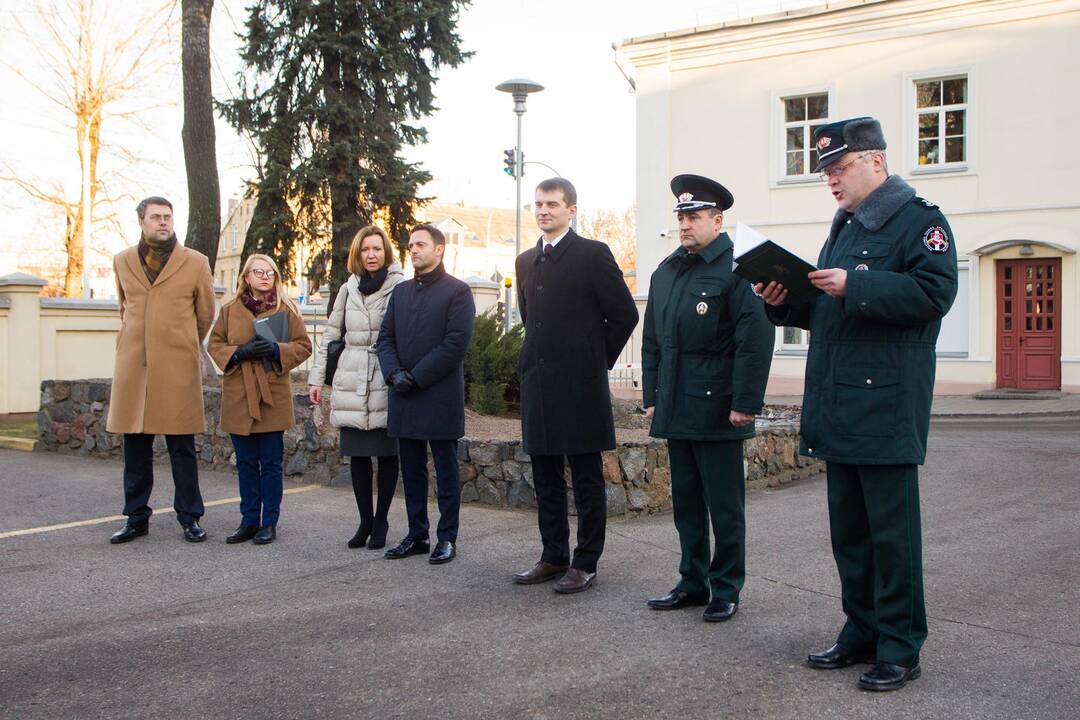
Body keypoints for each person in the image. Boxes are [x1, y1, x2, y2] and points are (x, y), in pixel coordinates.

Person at [756, 117, 958, 692]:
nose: (832, 180)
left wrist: (856, 285)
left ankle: (899, 645)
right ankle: (860, 630)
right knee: (849, 531)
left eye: (839, 167)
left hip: (887, 406)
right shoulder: (843, 227)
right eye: (826, 171)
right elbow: (828, 309)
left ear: (876, 161)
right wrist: (784, 301)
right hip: (839, 403)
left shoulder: (920, 222)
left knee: (891, 535)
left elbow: (934, 293)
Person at [642, 175, 775, 622]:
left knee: (724, 506)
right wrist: (652, 395)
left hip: (718, 406)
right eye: (681, 216)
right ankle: (692, 580)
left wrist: (745, 402)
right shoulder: (668, 271)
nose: (684, 224)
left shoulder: (739, 269)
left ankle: (727, 587)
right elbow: (653, 341)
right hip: (677, 405)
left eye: (694, 216)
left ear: (718, 221)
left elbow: (755, 340)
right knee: (686, 502)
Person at [512, 178, 639, 594]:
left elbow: (623, 315)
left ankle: (585, 561)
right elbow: (532, 321)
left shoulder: (592, 255)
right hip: (539, 384)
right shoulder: (526, 261)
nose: (544, 210)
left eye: (553, 204)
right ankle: (553, 555)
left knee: (585, 478)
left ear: (572, 210)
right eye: (538, 204)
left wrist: (593, 361)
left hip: (580, 386)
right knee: (545, 475)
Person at [106, 196, 216, 544]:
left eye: (168, 217)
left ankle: (190, 517)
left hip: (177, 365)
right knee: (135, 447)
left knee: (181, 447)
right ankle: (136, 518)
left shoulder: (195, 262)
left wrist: (182, 343)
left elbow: (205, 314)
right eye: (156, 217)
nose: (163, 223)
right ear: (142, 221)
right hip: (134, 367)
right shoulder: (122, 261)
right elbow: (124, 308)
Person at [376, 224, 475, 564]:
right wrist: (394, 374)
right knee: (412, 471)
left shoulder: (458, 292)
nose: (413, 249)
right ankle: (417, 534)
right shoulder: (401, 293)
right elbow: (385, 340)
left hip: (438, 396)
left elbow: (454, 345)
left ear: (439, 249)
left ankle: (447, 538)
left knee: (446, 471)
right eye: (410, 244)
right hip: (403, 395)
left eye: (420, 244)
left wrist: (415, 377)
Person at [309, 226, 404, 549]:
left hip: (383, 375)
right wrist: (317, 380)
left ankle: (382, 520)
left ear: (386, 252)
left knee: (387, 453)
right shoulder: (348, 289)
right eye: (366, 250)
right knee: (358, 455)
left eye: (377, 249)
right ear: (358, 254)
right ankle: (365, 520)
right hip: (351, 376)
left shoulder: (399, 286)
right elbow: (331, 334)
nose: (372, 255)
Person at [208, 254, 312, 545]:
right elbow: (215, 344)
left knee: (270, 463)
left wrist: (276, 350)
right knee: (245, 462)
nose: (265, 277)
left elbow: (304, 346)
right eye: (258, 272)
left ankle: (270, 522)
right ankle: (249, 520)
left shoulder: (286, 309)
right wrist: (239, 353)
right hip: (239, 393)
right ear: (247, 277)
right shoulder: (229, 310)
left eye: (270, 273)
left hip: (271, 394)